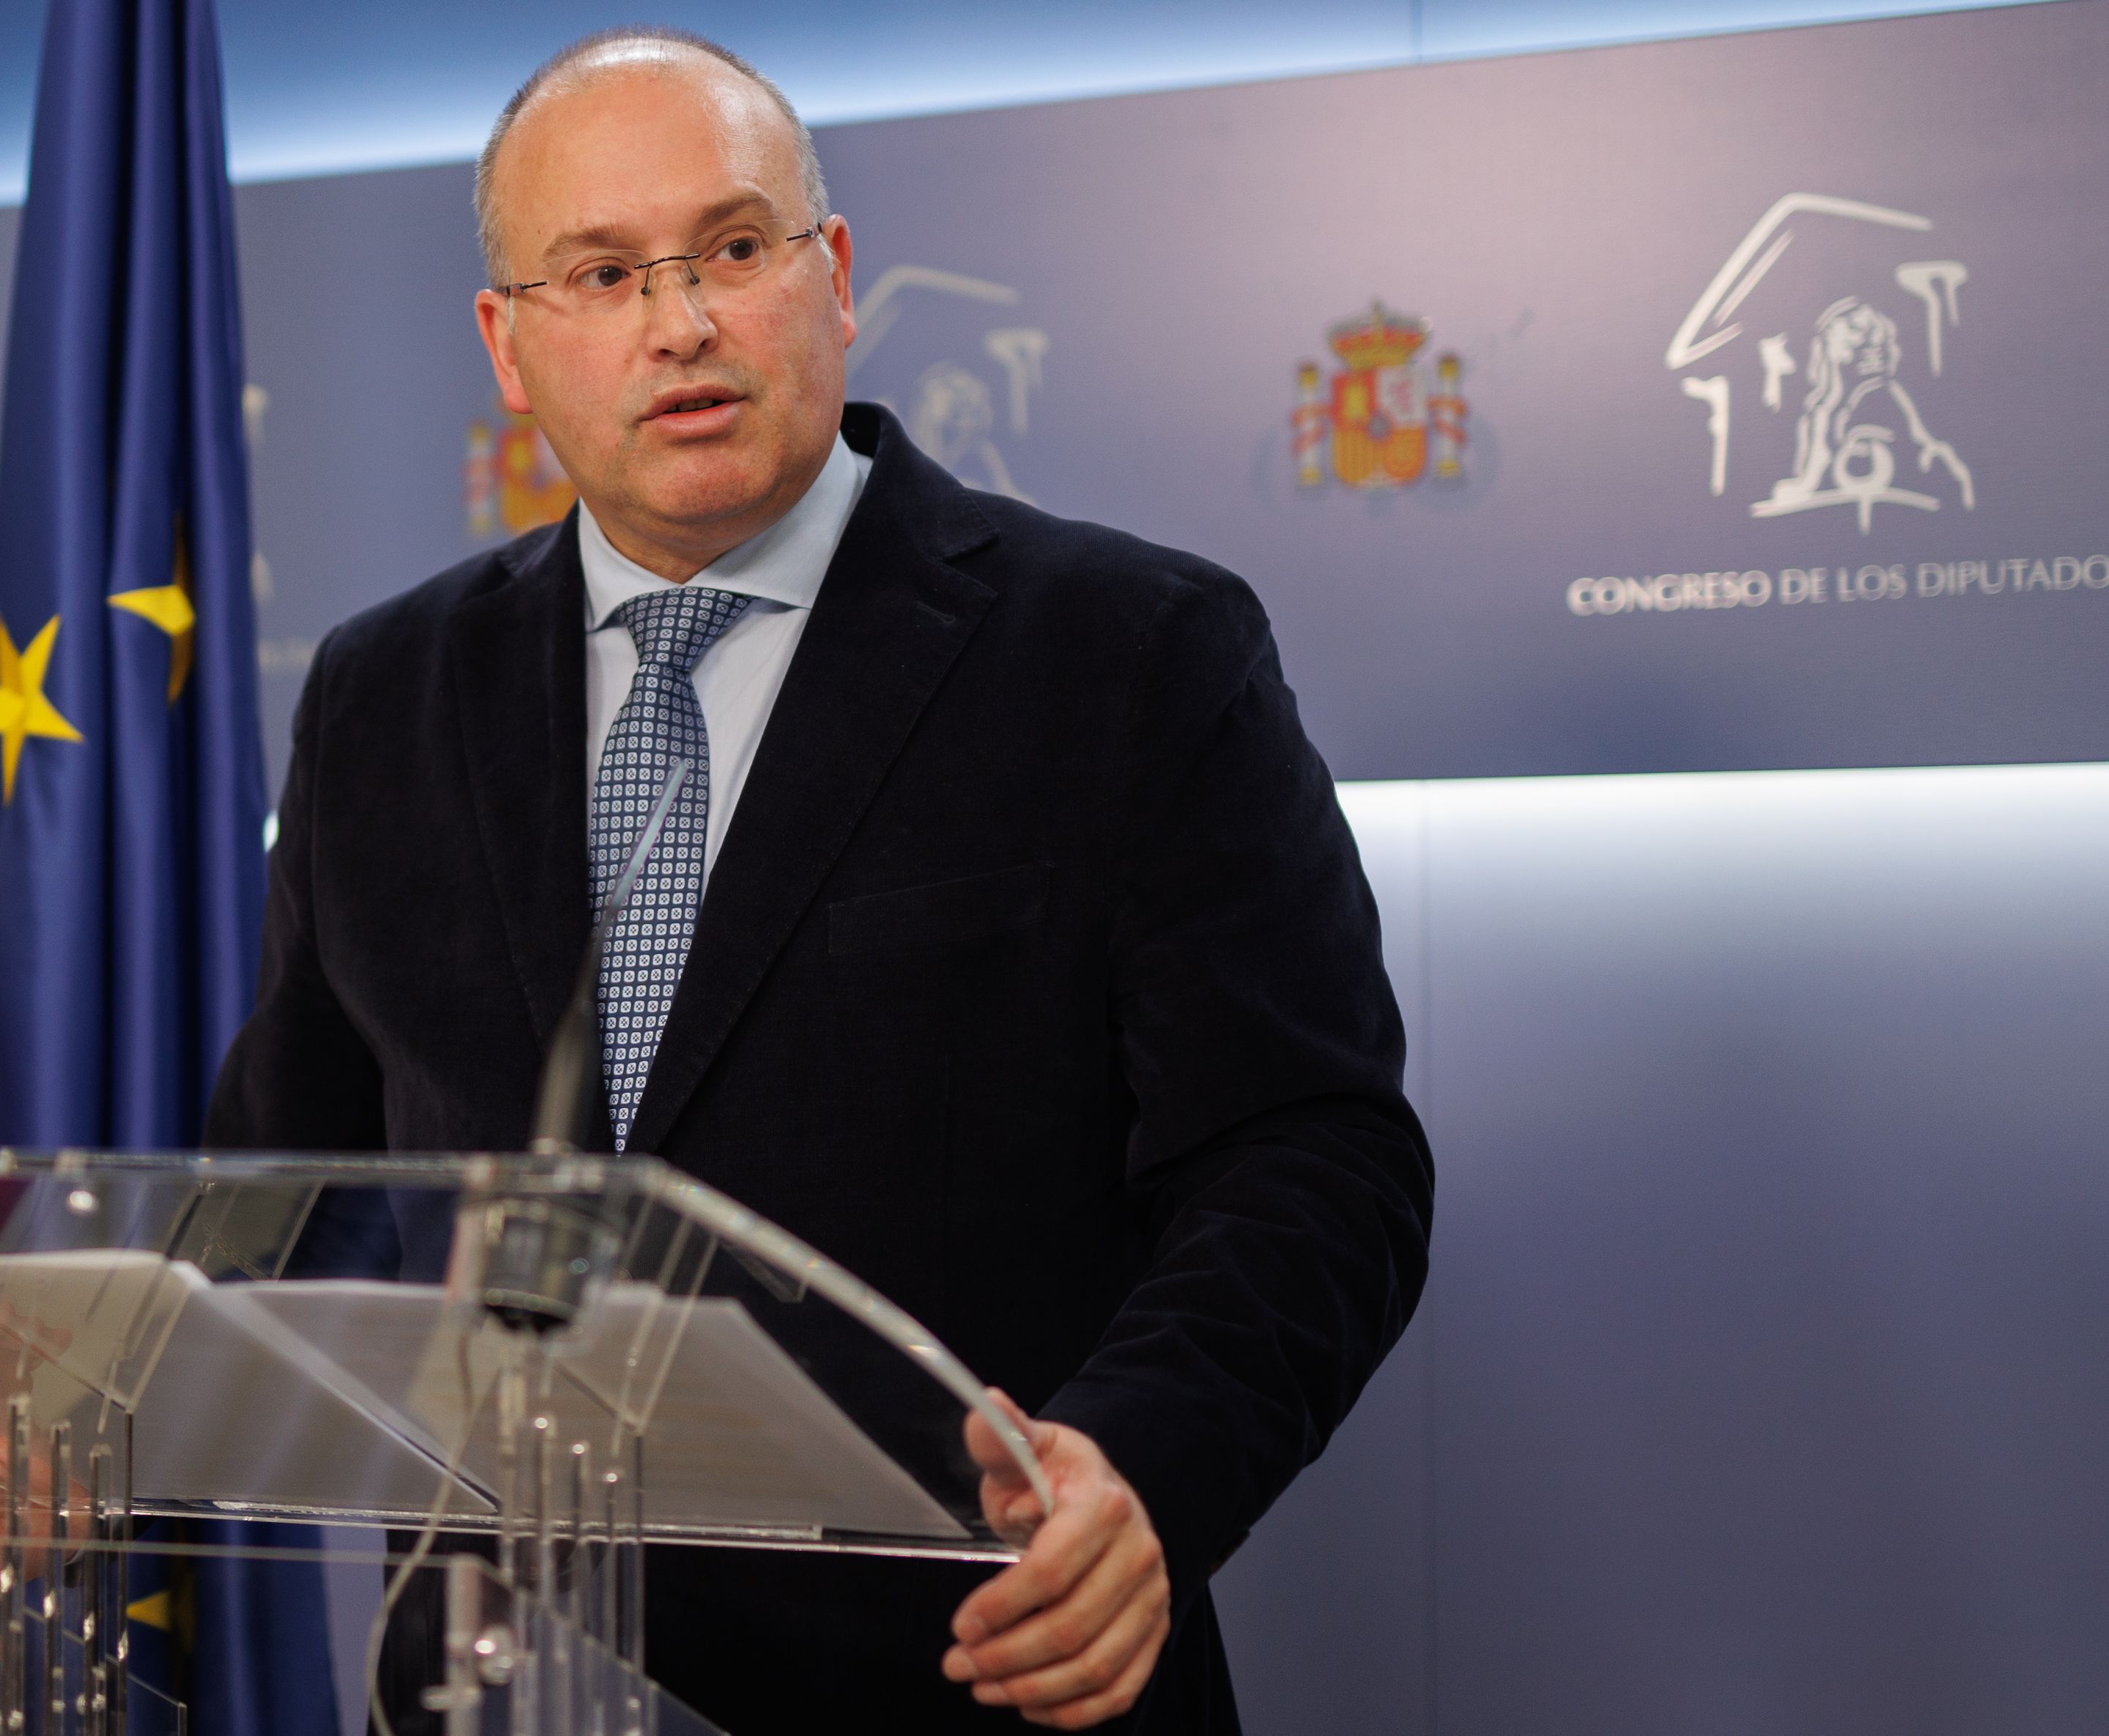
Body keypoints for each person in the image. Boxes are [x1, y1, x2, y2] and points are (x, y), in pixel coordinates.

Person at [201, 27, 1431, 1735]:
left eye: (731, 247)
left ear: (833, 275)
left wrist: (1144, 1462)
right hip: (497, 1682)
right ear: (508, 343)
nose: (679, 322)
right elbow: (282, 1186)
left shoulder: (1130, 651)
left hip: (973, 1670)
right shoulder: (383, 692)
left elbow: (1311, 1153)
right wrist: (47, 1417)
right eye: (603, 273)